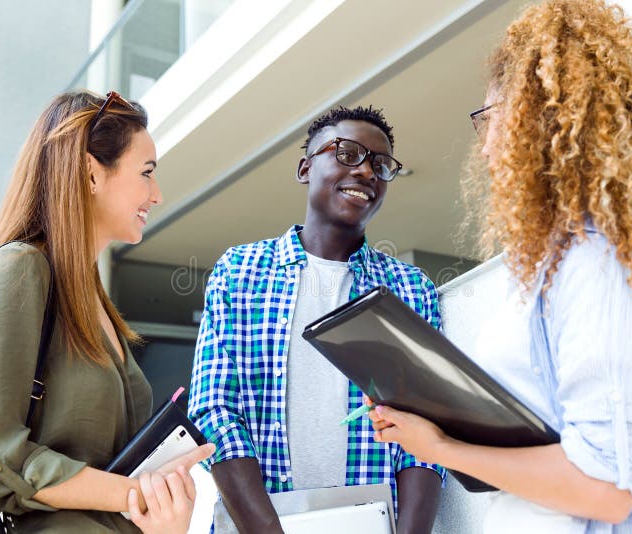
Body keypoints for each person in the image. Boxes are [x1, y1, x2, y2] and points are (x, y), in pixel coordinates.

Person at [368, 1, 632, 532]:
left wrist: (442, 447)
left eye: (489, 119)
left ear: (543, 118)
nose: (484, 148)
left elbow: (606, 489)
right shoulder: (559, 263)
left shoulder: (602, 264)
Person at [0, 90, 215, 533]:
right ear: (91, 172)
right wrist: (135, 494)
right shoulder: (22, 269)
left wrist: (156, 504)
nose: (158, 194)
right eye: (147, 173)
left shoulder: (90, 297)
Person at [188, 105, 445, 533]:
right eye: (347, 153)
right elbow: (215, 412)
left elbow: (426, 435)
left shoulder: (410, 288)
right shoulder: (240, 271)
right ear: (305, 168)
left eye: (381, 165)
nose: (366, 171)